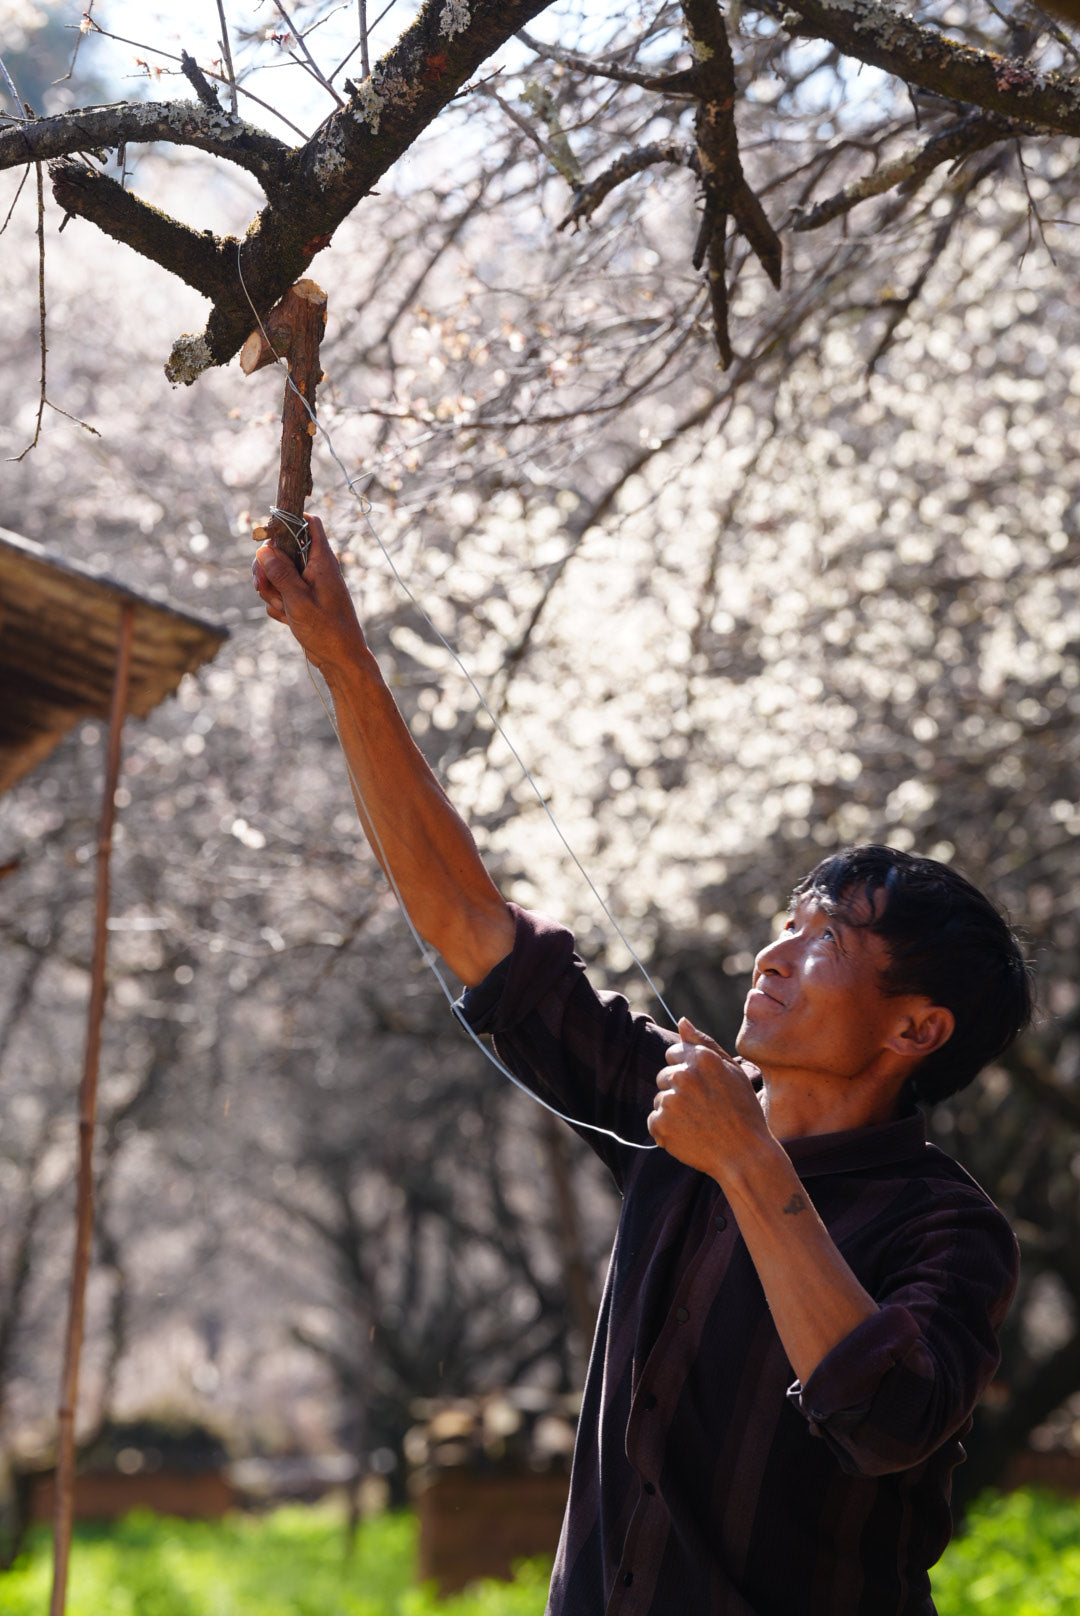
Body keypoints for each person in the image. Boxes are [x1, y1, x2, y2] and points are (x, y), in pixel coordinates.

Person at [253, 517, 1033, 1616]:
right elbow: (467, 916)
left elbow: (886, 1414)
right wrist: (346, 664)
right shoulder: (677, 1105)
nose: (772, 955)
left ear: (917, 1029)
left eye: (826, 944)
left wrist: (747, 1162)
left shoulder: (950, 1230)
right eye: (786, 925)